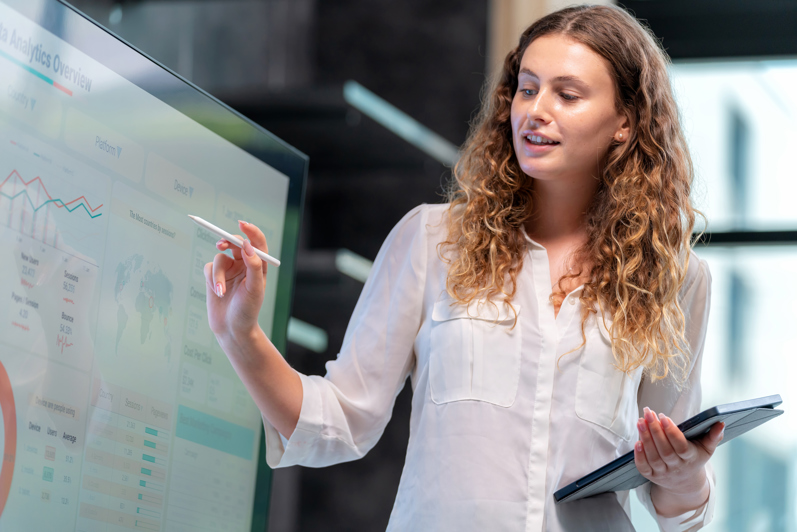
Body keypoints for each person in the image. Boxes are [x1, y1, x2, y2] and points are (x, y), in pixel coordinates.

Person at [204, 5, 724, 531]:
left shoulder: (675, 279)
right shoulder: (432, 240)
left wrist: (686, 476)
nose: (535, 111)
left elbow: (676, 504)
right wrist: (240, 334)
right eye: (527, 88)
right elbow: (337, 423)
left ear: (625, 123)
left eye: (566, 95)